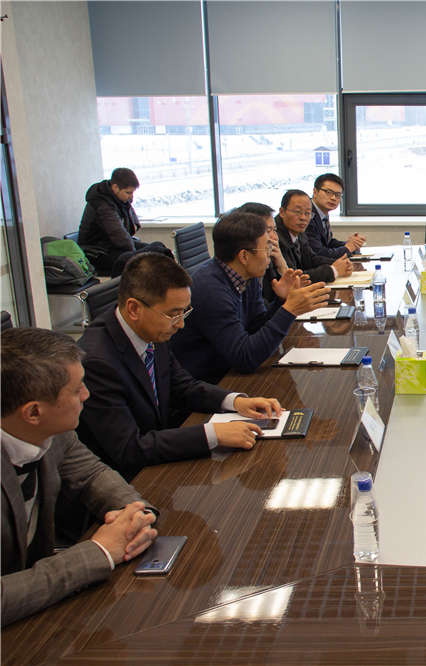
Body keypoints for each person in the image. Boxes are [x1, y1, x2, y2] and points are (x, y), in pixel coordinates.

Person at [76, 253, 283, 481]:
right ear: (134, 309)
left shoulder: (151, 328)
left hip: (158, 458)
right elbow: (129, 448)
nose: (181, 324)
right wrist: (212, 434)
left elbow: (181, 385)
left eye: (185, 312)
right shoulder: (96, 363)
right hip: (128, 479)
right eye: (173, 314)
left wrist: (235, 402)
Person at [1, 327, 158, 626]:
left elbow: (92, 474)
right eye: (76, 390)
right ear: (33, 412)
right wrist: (98, 552)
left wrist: (134, 514)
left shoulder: (52, 431)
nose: (86, 394)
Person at [171, 212, 331, 384]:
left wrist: (281, 301)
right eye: (267, 248)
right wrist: (289, 310)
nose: (270, 253)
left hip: (231, 374)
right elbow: (246, 358)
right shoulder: (210, 290)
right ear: (244, 256)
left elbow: (255, 328)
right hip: (210, 383)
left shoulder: (247, 275)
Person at [78, 168, 170, 274]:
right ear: (115, 187)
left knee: (158, 251)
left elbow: (129, 213)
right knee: (143, 262)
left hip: (112, 245)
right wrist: (136, 255)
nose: (131, 196)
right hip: (96, 253)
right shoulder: (103, 205)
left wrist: (135, 226)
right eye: (128, 193)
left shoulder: (118, 198)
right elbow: (120, 237)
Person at [274, 190, 354, 288]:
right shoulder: (275, 237)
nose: (303, 217)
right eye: (297, 212)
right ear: (282, 212)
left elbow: (312, 260)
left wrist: (341, 264)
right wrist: (333, 270)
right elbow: (294, 277)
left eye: (308, 213)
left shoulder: (300, 232)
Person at [306, 174, 366, 261]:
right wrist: (348, 248)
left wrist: (350, 243)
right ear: (315, 192)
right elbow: (319, 253)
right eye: (328, 192)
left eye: (338, 195)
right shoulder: (307, 215)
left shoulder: (322, 213)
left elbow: (328, 243)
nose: (333, 198)